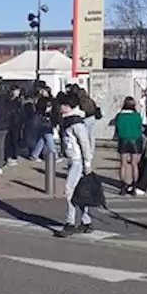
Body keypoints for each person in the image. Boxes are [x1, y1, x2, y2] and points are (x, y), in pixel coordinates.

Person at [56, 93, 96, 237]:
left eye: (62, 105)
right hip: (73, 160)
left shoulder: (76, 123)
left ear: (67, 106)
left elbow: (85, 143)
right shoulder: (69, 121)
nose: (59, 107)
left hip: (78, 161)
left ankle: (70, 223)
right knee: (80, 192)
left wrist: (87, 163)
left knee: (69, 191)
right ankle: (86, 221)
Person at [112, 96, 144, 195]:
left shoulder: (119, 116)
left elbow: (117, 128)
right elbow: (140, 127)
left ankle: (122, 188)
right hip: (135, 140)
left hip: (123, 140)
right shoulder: (137, 115)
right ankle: (134, 187)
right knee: (134, 165)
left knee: (123, 164)